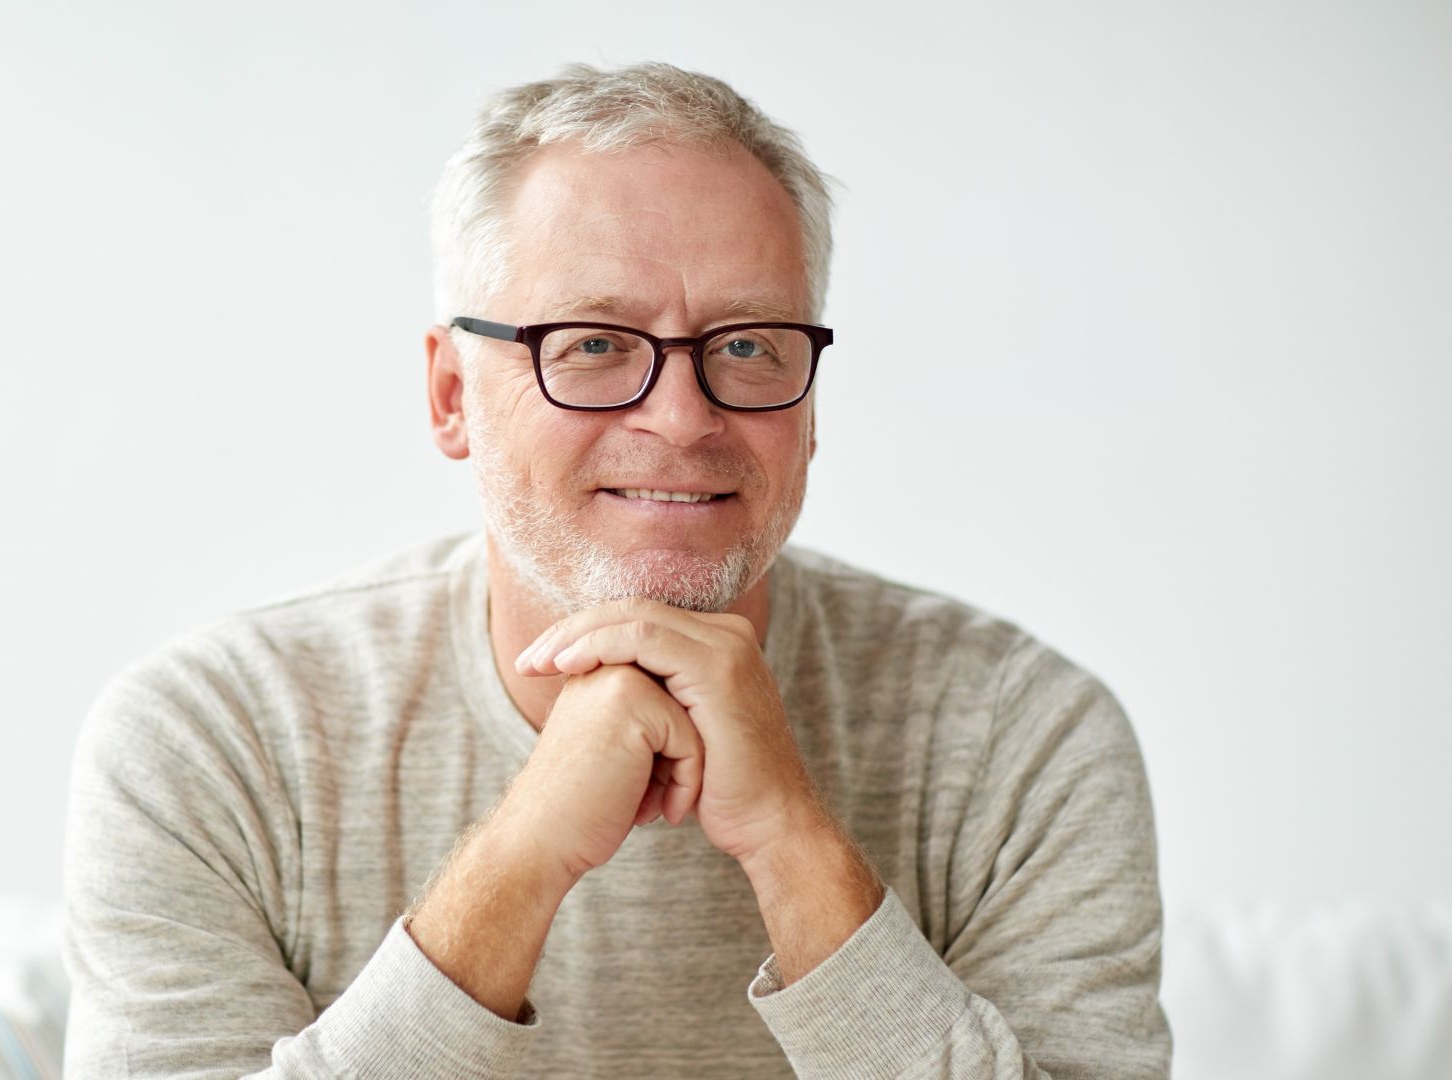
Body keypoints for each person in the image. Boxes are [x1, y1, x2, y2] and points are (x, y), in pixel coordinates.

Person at [61, 62, 1170, 1079]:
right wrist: (523, 857)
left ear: (813, 399)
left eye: (747, 345)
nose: (683, 417)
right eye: (592, 343)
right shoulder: (211, 738)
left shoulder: (1022, 736)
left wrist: (793, 844)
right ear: (452, 395)